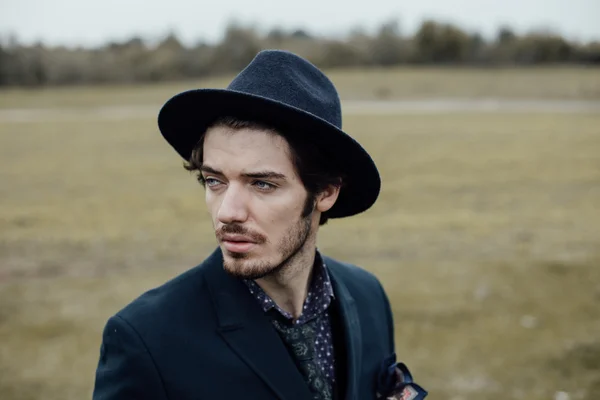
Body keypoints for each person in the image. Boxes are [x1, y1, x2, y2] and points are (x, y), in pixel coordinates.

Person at [92, 50, 427, 400]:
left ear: (325, 192)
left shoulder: (367, 296)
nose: (228, 212)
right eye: (214, 181)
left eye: (262, 184)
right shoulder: (147, 339)